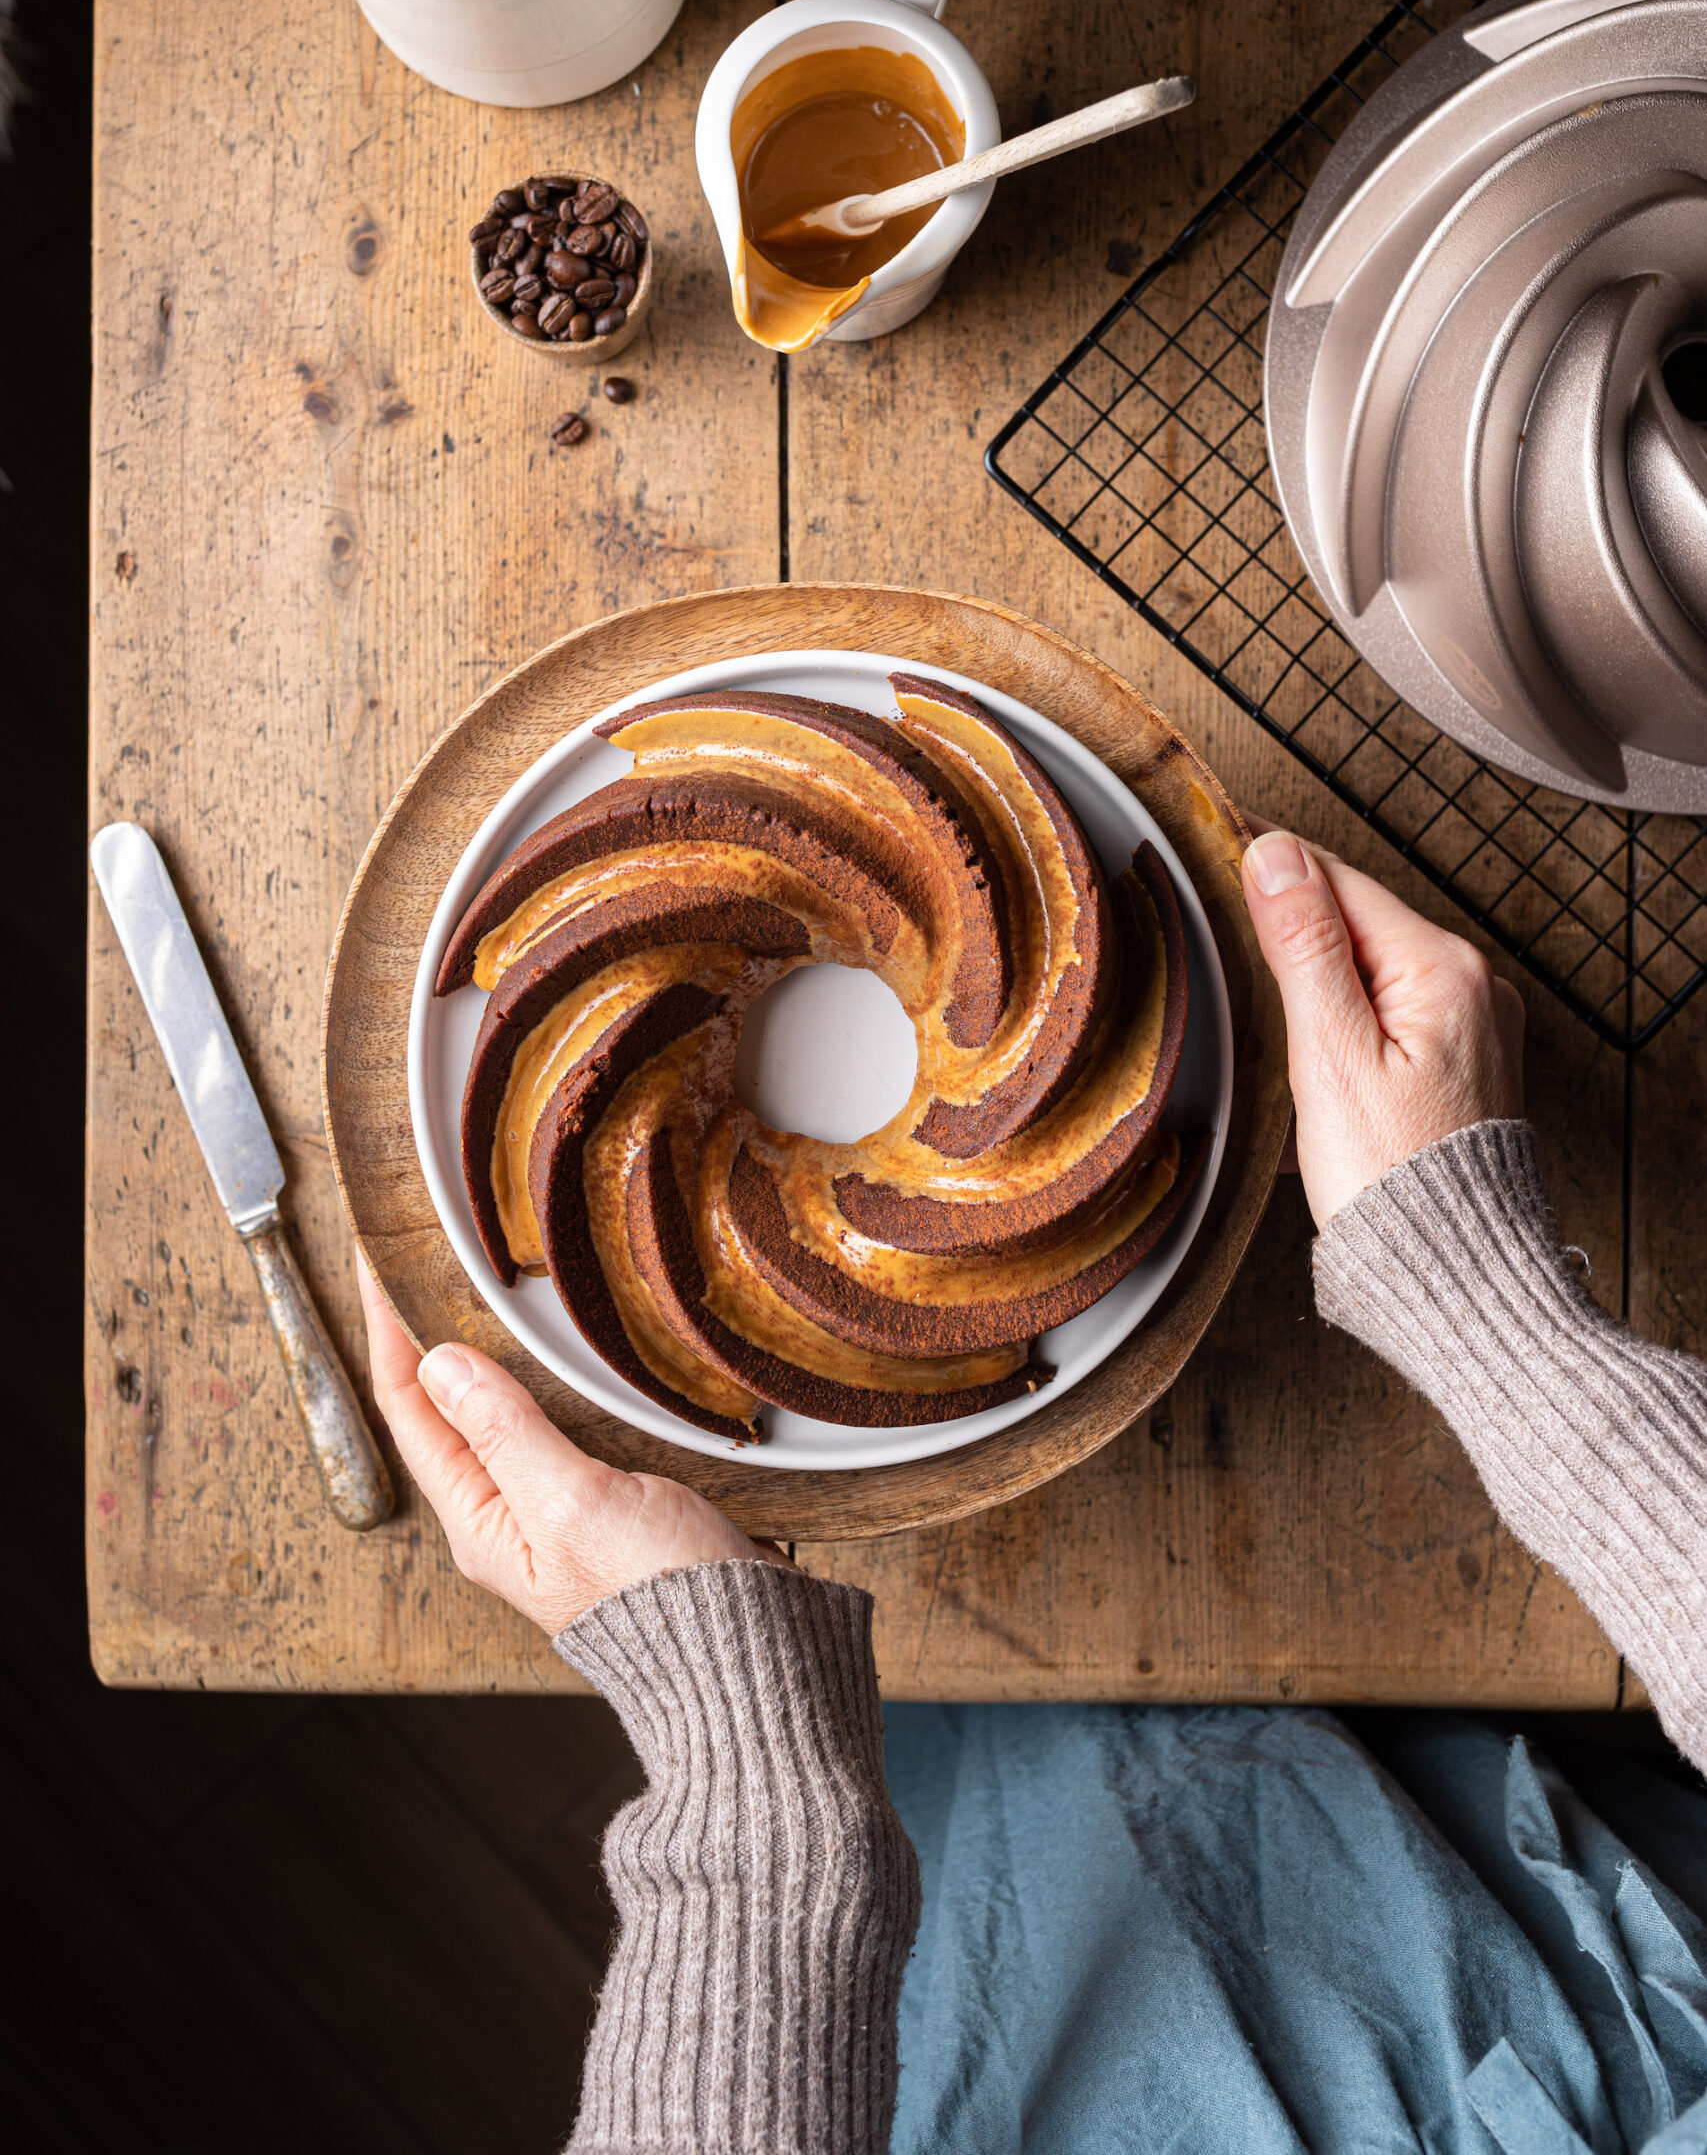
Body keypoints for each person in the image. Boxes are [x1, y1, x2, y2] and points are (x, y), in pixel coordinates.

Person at [356, 833, 1707, 2155]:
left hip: (1020, 1988)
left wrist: (745, 1754)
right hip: (1616, 1932)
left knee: (1011, 1747)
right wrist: (1484, 1303)